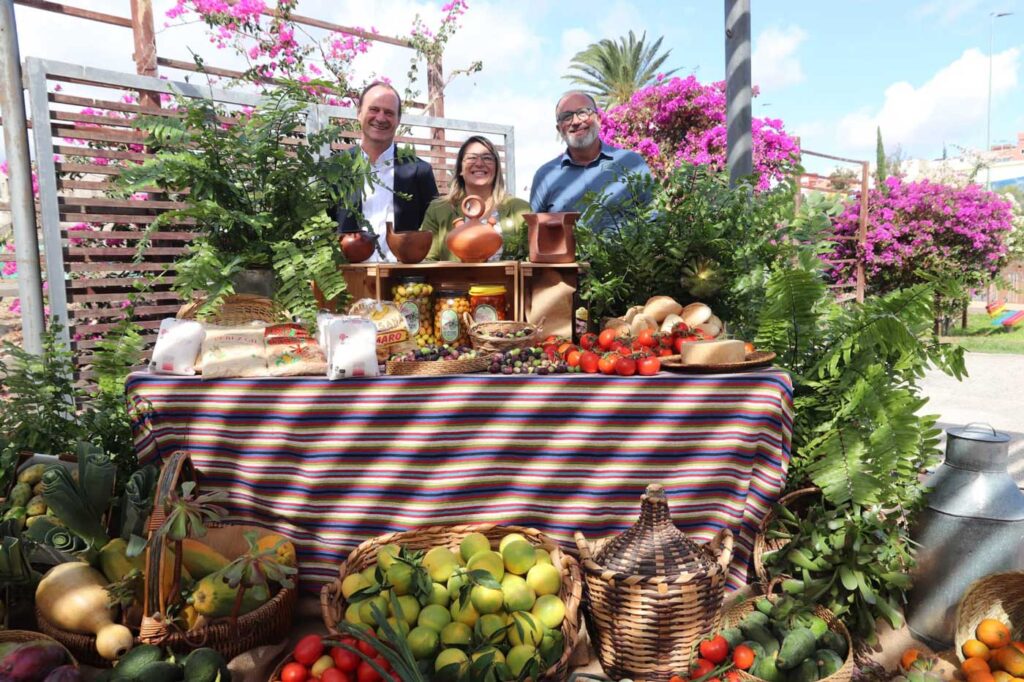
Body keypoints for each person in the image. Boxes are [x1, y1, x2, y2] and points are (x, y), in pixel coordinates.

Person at [334, 81, 438, 261]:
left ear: (398, 120)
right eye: (374, 109)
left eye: (389, 113)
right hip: (347, 282)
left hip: (404, 284)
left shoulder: (420, 172)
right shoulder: (335, 170)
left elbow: (433, 229)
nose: (381, 118)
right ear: (359, 114)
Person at [530, 90, 652, 232]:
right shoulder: (545, 176)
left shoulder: (632, 164)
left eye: (583, 112)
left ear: (598, 119)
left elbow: (655, 218)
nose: (575, 121)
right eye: (566, 117)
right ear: (559, 129)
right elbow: (536, 234)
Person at [421, 135, 530, 261]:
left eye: (487, 158)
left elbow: (531, 259)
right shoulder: (438, 209)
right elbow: (427, 260)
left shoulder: (520, 209)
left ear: (497, 168)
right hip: (454, 281)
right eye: (471, 158)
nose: (479, 163)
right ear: (460, 169)